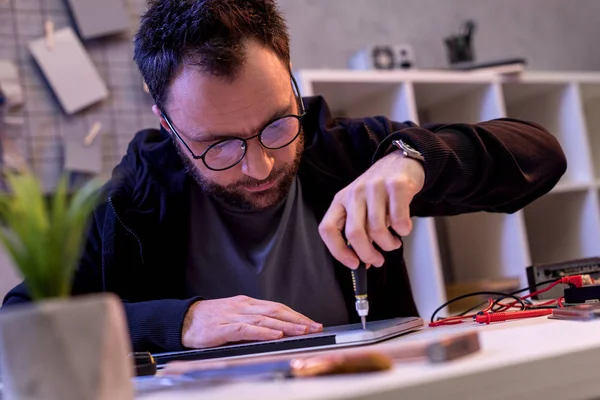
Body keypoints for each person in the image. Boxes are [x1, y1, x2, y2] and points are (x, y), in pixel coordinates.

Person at [3, 0, 566, 353]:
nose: (260, 166)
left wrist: (412, 158)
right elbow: (21, 322)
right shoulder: (128, 207)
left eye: (276, 126)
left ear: (293, 86)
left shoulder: (349, 151)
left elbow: (540, 154)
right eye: (217, 145)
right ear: (168, 126)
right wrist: (180, 323)